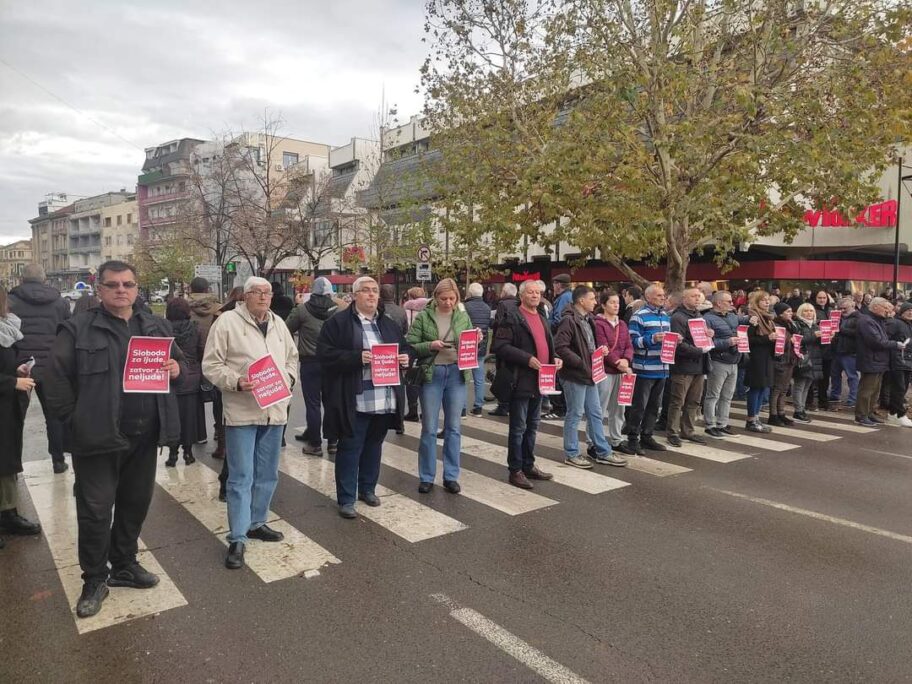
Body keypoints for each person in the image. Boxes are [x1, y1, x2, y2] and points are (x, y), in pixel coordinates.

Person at [44, 260, 182, 618]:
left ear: (137, 289)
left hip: (144, 436)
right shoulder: (77, 329)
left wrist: (176, 369)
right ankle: (94, 579)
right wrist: (75, 423)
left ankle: (124, 565)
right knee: (95, 512)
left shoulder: (155, 326)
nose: (121, 290)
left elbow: (184, 370)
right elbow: (55, 381)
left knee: (135, 503)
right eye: (113, 284)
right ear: (99, 289)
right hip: (97, 439)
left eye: (128, 284)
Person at [202, 276, 299, 570]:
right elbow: (211, 364)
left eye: (267, 292)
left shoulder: (279, 323)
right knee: (240, 477)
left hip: (275, 409)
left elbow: (292, 358)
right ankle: (238, 536)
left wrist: (290, 379)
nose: (263, 297)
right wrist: (235, 382)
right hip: (242, 411)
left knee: (268, 473)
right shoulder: (227, 322)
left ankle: (258, 522)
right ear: (245, 295)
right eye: (257, 292)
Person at [317, 276, 413, 518]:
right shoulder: (338, 323)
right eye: (366, 291)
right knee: (350, 448)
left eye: (375, 291)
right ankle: (346, 498)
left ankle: (367, 489)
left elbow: (405, 348)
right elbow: (325, 355)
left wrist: (405, 359)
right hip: (355, 398)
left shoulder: (388, 324)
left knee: (374, 447)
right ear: (355, 295)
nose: (371, 295)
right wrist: (356, 358)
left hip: (384, 398)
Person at [492, 280, 562, 488]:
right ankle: (515, 470)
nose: (535, 295)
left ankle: (528, 464)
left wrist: (555, 357)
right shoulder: (512, 318)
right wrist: (527, 359)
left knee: (532, 426)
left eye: (538, 292)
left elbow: (548, 345)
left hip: (541, 381)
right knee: (518, 428)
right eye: (530, 292)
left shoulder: (541, 317)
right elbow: (500, 346)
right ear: (521, 296)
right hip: (520, 379)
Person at [407, 278, 474, 493]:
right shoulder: (425, 316)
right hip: (432, 373)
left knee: (453, 428)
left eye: (452, 299)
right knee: (429, 428)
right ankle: (426, 476)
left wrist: (476, 339)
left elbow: (470, 339)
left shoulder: (462, 316)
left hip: (456, 373)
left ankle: (451, 476)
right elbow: (410, 344)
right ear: (435, 298)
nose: (448, 303)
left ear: (457, 299)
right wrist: (431, 345)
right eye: (443, 298)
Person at [8, 263, 71, 473]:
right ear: (45, 279)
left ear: (22, 279)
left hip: (20, 367)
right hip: (50, 366)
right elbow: (66, 332)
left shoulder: (11, 301)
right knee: (53, 416)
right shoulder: (60, 302)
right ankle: (58, 460)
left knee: (16, 417)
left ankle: (13, 464)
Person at [554, 285, 627, 467]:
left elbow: (589, 344)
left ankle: (602, 451)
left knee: (595, 413)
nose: (595, 302)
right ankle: (572, 453)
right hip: (574, 375)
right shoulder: (569, 321)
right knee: (575, 413)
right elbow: (561, 347)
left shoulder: (590, 319)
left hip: (590, 373)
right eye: (592, 299)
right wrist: (580, 362)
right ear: (581, 300)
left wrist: (598, 352)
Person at [0, 286, 42, 550]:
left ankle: (8, 514)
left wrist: (17, 368)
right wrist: (10, 382)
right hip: (6, 396)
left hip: (6, 408)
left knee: (6, 462)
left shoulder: (6, 326)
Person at [286, 277, 341, 455]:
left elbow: (286, 329)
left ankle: (315, 443)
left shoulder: (302, 310)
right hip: (333, 362)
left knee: (313, 404)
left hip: (310, 362)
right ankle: (333, 442)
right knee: (331, 402)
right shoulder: (338, 310)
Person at [619, 284, 671, 455]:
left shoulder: (665, 316)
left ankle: (647, 435)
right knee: (639, 406)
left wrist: (674, 341)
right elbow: (633, 342)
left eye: (663, 295)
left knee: (654, 406)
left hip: (662, 367)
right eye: (659, 295)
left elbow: (666, 341)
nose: (663, 298)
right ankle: (633, 438)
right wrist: (653, 339)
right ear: (648, 297)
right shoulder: (638, 316)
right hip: (644, 367)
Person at [665, 288, 711, 446]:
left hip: (699, 365)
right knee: (678, 401)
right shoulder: (678, 317)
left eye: (699, 296)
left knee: (694, 401)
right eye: (693, 296)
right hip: (683, 366)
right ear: (684, 299)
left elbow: (700, 338)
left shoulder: (698, 315)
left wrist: (708, 335)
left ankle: (688, 431)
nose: (697, 298)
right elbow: (678, 344)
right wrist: (698, 350)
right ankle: (672, 432)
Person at [855, 297, 907, 426]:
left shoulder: (878, 320)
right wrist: (896, 344)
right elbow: (876, 341)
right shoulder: (867, 321)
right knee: (867, 390)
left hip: (878, 360)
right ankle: (861, 415)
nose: (888, 311)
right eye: (885, 308)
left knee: (875, 390)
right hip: (870, 360)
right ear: (876, 307)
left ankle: (869, 413)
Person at [592, 289, 634, 449]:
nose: (616, 305)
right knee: (599, 408)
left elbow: (629, 345)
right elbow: (602, 346)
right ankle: (594, 441)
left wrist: (626, 360)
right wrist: (617, 362)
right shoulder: (598, 324)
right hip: (605, 371)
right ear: (603, 305)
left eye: (618, 302)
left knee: (619, 408)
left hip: (621, 370)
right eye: (612, 302)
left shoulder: (622, 323)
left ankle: (616, 439)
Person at [164, 297, 203, 466]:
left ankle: (172, 454)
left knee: (172, 417)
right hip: (192, 379)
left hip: (169, 378)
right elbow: (202, 352)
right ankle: (188, 453)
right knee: (189, 418)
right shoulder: (196, 329)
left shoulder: (163, 330)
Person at [702, 290, 745, 437]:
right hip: (718, 360)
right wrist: (727, 342)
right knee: (713, 395)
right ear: (719, 303)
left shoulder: (733, 317)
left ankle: (722, 423)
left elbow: (741, 325)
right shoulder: (707, 319)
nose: (731, 304)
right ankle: (710, 424)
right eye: (728, 301)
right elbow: (706, 342)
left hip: (734, 359)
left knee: (727, 396)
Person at [744, 290, 777, 433]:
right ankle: (751, 419)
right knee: (756, 388)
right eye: (763, 300)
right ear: (757, 303)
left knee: (763, 388)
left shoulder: (768, 318)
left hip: (767, 356)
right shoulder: (754, 317)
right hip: (756, 358)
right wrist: (767, 338)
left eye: (768, 300)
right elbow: (749, 340)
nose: (767, 302)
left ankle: (756, 418)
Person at [488, 283, 519, 417]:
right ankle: (511, 403)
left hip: (503, 344)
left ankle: (503, 405)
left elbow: (499, 324)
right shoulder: (519, 304)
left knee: (503, 374)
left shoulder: (502, 305)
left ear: (504, 293)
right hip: (515, 345)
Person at [791, 303, 824, 423]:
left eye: (811, 311)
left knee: (807, 386)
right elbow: (798, 341)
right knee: (799, 385)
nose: (809, 313)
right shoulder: (797, 325)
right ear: (800, 312)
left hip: (815, 358)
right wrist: (814, 336)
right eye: (805, 311)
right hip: (803, 358)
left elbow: (820, 345)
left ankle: (802, 408)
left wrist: (828, 338)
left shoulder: (816, 325)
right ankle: (798, 411)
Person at [462, 282, 492, 416]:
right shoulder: (487, 308)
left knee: (463, 378)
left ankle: (462, 408)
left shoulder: (464, 307)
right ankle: (478, 407)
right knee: (479, 379)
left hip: (466, 346)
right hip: (481, 346)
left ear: (469, 293)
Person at [767, 303, 798, 426]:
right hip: (780, 360)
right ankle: (773, 415)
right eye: (788, 311)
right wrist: (789, 341)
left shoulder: (790, 324)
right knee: (777, 389)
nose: (791, 313)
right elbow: (777, 344)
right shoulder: (776, 325)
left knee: (784, 389)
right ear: (780, 313)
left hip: (789, 360)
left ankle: (781, 413)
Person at [402, 287, 430, 421]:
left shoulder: (407, 310)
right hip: (428, 346)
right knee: (427, 378)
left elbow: (404, 328)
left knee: (412, 378)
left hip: (412, 345)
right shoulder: (431, 310)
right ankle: (426, 411)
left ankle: (412, 409)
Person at [828, 297, 860, 408]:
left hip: (850, 351)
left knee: (852, 376)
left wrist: (840, 330)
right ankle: (835, 395)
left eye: (844, 308)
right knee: (835, 375)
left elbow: (858, 333)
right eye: (840, 308)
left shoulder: (859, 318)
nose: (842, 311)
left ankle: (852, 399)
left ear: (852, 305)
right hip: (837, 350)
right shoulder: (838, 317)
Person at [884, 302, 912, 427]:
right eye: (908, 310)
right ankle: (900, 414)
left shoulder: (909, 324)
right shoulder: (895, 323)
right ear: (902, 311)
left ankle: (893, 413)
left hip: (908, 360)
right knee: (899, 388)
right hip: (897, 360)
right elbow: (886, 339)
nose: (910, 312)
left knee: (903, 388)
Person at [808, 290, 834, 410]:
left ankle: (823, 402)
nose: (822, 300)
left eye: (824, 298)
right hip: (815, 348)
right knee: (812, 377)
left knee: (825, 377)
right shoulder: (811, 310)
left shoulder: (830, 311)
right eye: (820, 297)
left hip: (828, 348)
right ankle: (809, 402)